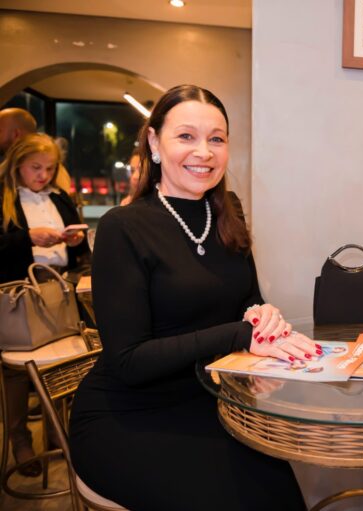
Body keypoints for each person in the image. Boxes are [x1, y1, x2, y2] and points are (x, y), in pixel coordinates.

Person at [68, 84, 317, 510]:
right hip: (128, 415)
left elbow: (247, 301)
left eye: (216, 139)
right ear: (154, 143)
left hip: (211, 398)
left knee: (281, 495)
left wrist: (262, 317)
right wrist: (239, 335)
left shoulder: (227, 210)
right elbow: (129, 361)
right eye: (186, 136)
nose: (204, 152)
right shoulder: (121, 227)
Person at [0, 132, 90, 476]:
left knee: (59, 364)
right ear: (17, 165)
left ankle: (55, 430)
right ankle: (20, 440)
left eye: (50, 168)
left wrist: (76, 241)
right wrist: (27, 237)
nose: (44, 175)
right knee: (17, 372)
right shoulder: (4, 197)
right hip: (17, 293)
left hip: (57, 289)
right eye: (35, 167)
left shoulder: (59, 196)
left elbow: (78, 252)